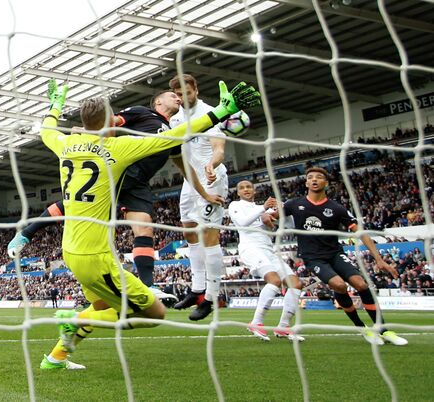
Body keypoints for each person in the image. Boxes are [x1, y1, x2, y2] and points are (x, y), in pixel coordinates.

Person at [39, 79, 261, 370]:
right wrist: (221, 112)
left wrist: (56, 104)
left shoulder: (63, 143)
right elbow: (177, 135)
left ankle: (56, 358)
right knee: (153, 314)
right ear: (109, 120)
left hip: (70, 249)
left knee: (103, 306)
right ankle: (74, 319)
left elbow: (46, 128)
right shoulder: (118, 148)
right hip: (96, 257)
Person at [8, 91, 221, 301]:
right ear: (158, 101)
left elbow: (184, 168)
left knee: (145, 227)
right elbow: (109, 121)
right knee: (77, 202)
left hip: (138, 184)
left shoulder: (174, 133)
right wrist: (85, 132)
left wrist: (204, 194)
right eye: (171, 95)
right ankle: (26, 232)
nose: (177, 97)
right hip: (119, 169)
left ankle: (148, 285)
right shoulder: (142, 113)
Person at [282, 167, 408, 346]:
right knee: (339, 285)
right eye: (310, 177)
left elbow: (361, 232)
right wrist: (266, 215)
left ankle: (384, 329)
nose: (314, 180)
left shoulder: (336, 208)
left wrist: (379, 259)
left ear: (326, 183)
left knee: (361, 284)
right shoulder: (294, 204)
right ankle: (361, 327)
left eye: (319, 177)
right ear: (306, 183)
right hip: (313, 257)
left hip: (335, 253)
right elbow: (273, 217)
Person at [169, 73, 229, 321]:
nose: (183, 98)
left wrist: (212, 165)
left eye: (187, 92)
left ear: (196, 89)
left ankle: (212, 298)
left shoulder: (211, 113)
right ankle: (196, 289)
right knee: (189, 232)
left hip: (212, 177)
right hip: (190, 181)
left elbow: (219, 148)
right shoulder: (175, 119)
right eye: (179, 94)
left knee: (209, 236)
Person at [227, 180, 304, 342]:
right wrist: (262, 209)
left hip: (269, 250)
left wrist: (284, 211)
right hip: (250, 248)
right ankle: (256, 322)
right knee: (274, 281)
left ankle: (283, 326)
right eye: (242, 188)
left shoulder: (264, 208)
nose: (246, 189)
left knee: (295, 283)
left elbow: (289, 225)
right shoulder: (235, 205)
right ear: (238, 193)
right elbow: (242, 223)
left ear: (254, 191)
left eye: (249, 187)